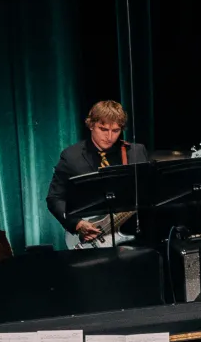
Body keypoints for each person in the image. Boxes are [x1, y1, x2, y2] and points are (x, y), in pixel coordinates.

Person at [46, 100, 149, 245]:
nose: (109, 137)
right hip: (89, 239)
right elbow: (55, 198)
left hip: (132, 237)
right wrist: (77, 223)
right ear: (91, 125)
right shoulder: (71, 156)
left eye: (115, 131)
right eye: (103, 129)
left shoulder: (135, 152)